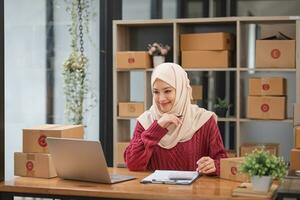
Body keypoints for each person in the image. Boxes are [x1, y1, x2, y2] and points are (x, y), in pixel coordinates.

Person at [124, 63, 227, 176]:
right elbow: (133, 164)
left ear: (181, 90)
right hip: (155, 191)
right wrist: (157, 127)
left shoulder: (204, 120)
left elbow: (223, 162)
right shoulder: (146, 122)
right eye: (156, 92)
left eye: (167, 91)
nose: (161, 99)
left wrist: (215, 165)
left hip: (194, 192)